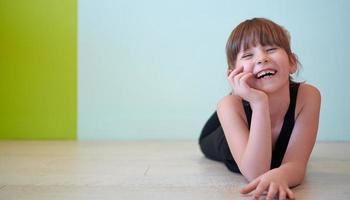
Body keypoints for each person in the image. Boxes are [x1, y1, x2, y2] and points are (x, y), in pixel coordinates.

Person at [198, 18, 321, 200]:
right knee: (227, 106)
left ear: (292, 62)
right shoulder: (230, 105)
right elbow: (256, 173)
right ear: (233, 74)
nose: (262, 58)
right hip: (222, 130)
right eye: (248, 55)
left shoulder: (308, 96)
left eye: (271, 49)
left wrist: (281, 175)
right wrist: (258, 103)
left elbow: (296, 164)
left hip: (245, 107)